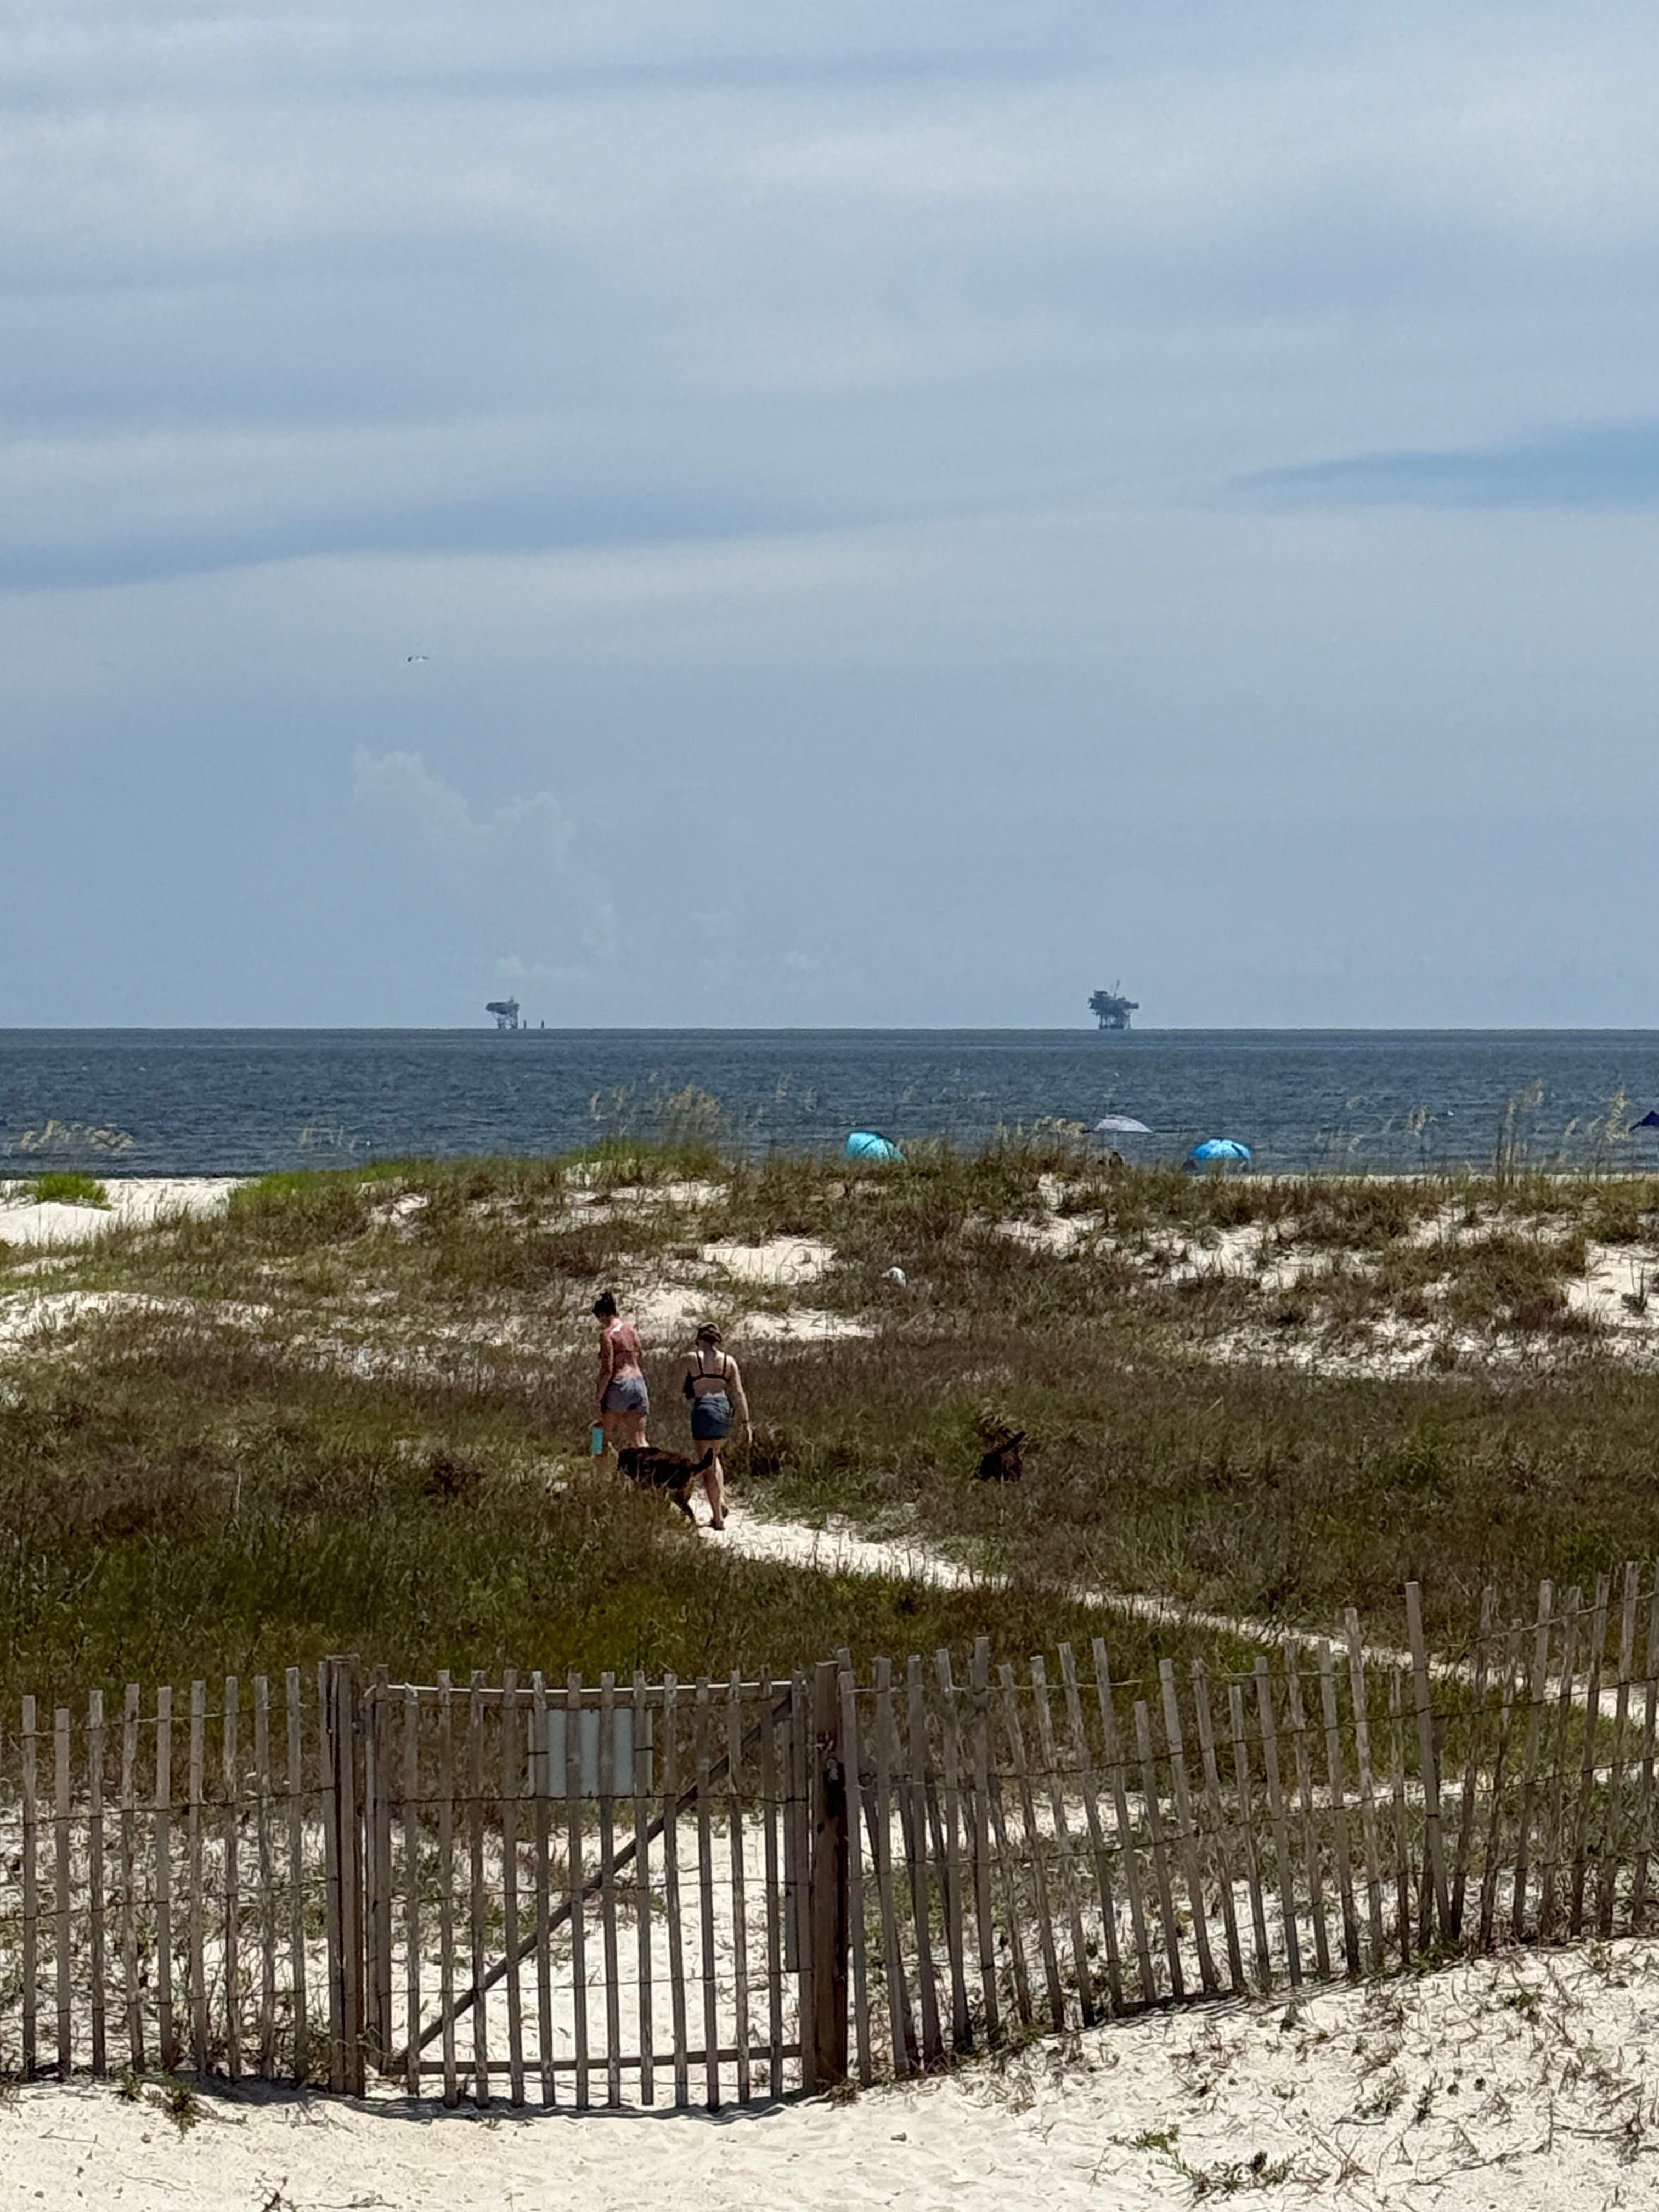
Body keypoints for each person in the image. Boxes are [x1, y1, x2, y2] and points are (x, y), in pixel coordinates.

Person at [682, 1323, 750, 1532]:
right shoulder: (729, 1362)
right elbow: (738, 1393)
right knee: (715, 1457)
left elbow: (679, 1388)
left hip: (703, 1407)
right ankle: (719, 1501)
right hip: (723, 1408)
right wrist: (747, 1423)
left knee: (707, 1465)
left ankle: (717, 1518)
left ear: (700, 1339)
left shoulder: (692, 1359)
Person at [594, 1290, 649, 1454]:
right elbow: (640, 1354)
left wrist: (599, 1395)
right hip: (638, 1382)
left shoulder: (607, 1334)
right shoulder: (631, 1331)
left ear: (603, 1315)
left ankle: (598, 1472)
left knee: (600, 1432)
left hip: (620, 1383)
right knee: (640, 1439)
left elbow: (607, 1368)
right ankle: (647, 1473)